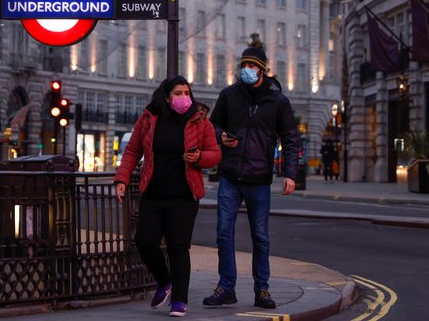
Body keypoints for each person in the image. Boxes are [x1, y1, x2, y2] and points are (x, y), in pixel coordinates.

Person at [114, 76, 221, 317]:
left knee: (178, 247)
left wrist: (199, 158)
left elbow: (215, 154)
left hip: (184, 195)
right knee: (144, 241)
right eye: (178, 93)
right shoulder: (150, 117)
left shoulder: (200, 121)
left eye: (187, 92)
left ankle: (179, 301)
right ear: (166, 97)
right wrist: (121, 179)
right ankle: (164, 282)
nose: (184, 98)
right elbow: (133, 150)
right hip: (153, 193)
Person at [203, 45, 299, 310]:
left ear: (262, 69)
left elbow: (291, 138)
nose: (247, 70)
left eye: (253, 66)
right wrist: (221, 136)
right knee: (224, 232)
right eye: (245, 65)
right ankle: (226, 287)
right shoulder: (229, 95)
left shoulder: (278, 101)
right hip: (230, 175)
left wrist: (290, 174)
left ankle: (262, 290)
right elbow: (212, 125)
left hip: (259, 178)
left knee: (261, 236)